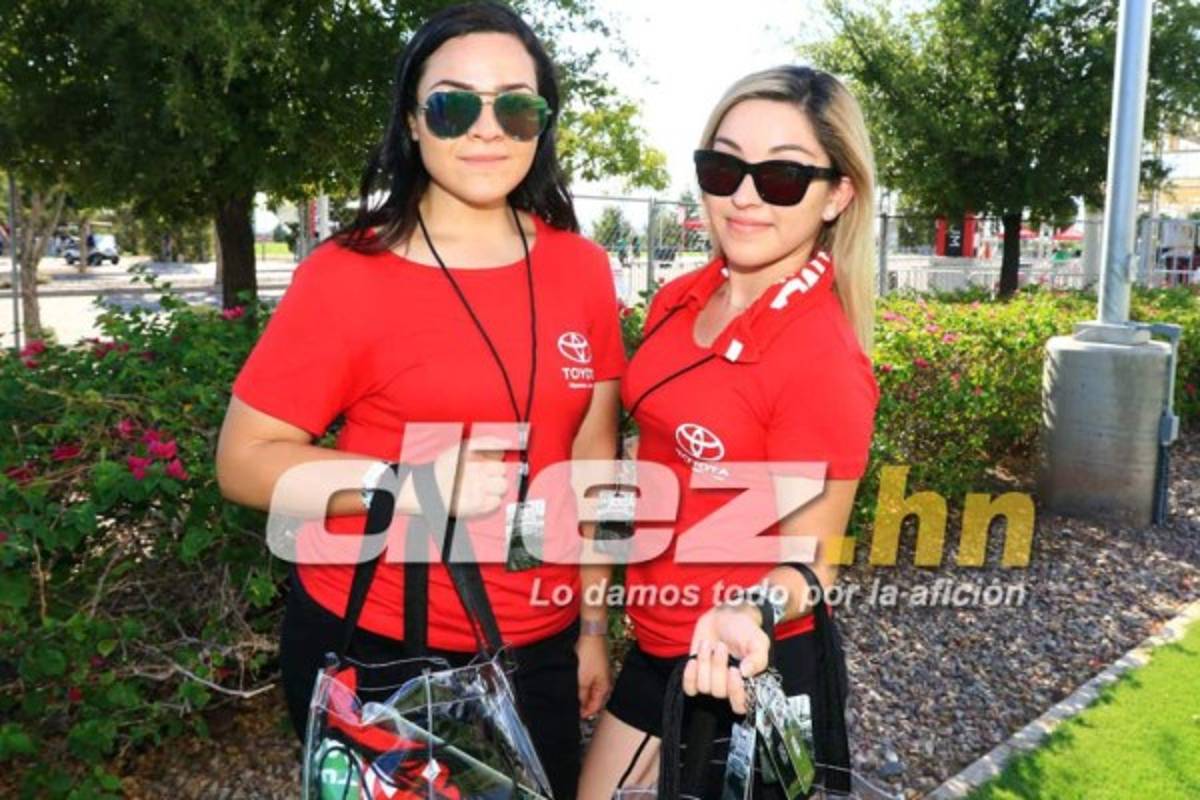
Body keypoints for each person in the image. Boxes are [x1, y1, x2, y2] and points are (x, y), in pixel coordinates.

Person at [214, 3, 624, 797]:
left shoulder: (583, 270)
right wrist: (413, 483)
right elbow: (243, 461)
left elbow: (594, 455)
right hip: (377, 647)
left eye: (515, 104)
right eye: (452, 104)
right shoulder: (346, 275)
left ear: (541, 123)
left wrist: (595, 627)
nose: (485, 128)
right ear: (411, 121)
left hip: (537, 644)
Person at [579, 65, 879, 799]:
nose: (744, 195)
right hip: (657, 651)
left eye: (781, 176)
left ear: (838, 193)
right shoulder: (678, 301)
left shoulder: (821, 358)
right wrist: (593, 624)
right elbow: (640, 470)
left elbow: (815, 567)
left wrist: (751, 611)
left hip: (749, 663)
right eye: (723, 166)